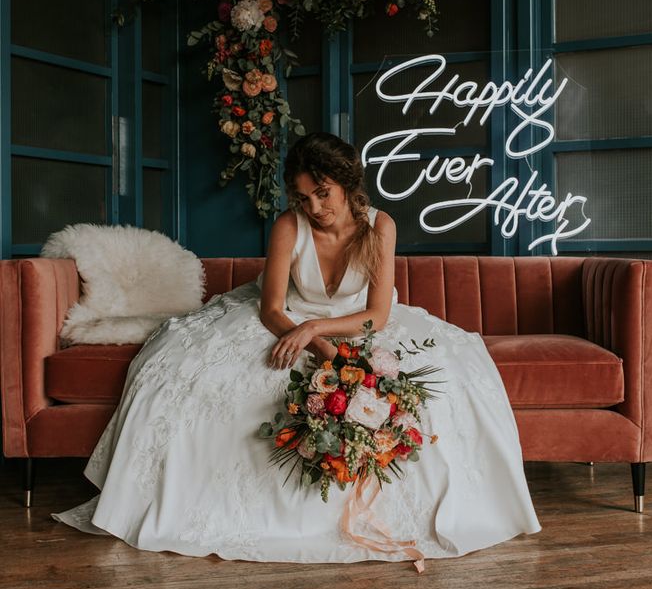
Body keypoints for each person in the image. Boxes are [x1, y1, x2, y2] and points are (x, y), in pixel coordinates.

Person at [54, 132, 541, 565]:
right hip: (282, 316)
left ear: (349, 185)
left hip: (348, 323)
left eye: (323, 194)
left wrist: (316, 333)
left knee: (447, 380)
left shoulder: (380, 227)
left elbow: (377, 315)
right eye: (304, 197)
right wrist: (307, 335)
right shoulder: (290, 226)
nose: (314, 207)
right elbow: (269, 309)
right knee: (191, 373)